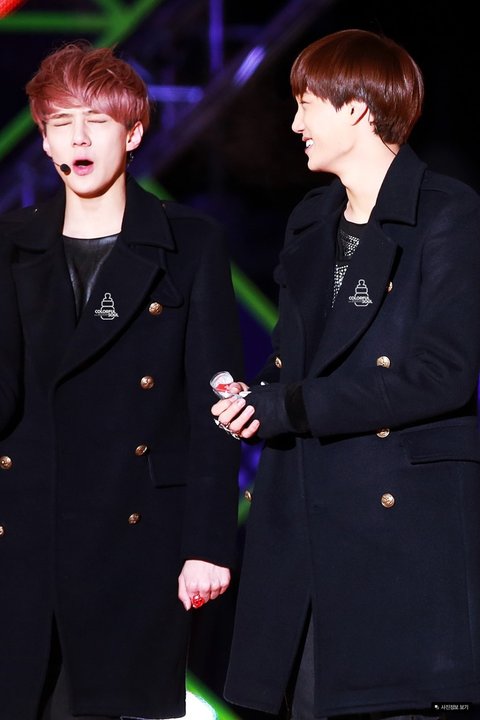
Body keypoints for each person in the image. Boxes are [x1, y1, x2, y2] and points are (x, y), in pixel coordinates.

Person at [212, 28, 480, 720]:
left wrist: (290, 406)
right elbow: (295, 361)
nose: (294, 123)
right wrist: (252, 399)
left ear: (357, 108)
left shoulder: (447, 212)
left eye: (306, 104)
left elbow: (443, 374)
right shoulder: (310, 221)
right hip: (307, 523)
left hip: (401, 538)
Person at [0, 41, 244, 720]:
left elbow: (215, 407)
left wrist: (207, 544)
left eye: (96, 121)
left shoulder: (188, 243)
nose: (77, 138)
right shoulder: (9, 244)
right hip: (23, 534)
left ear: (132, 134)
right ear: (44, 138)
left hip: (135, 540)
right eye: (60, 122)